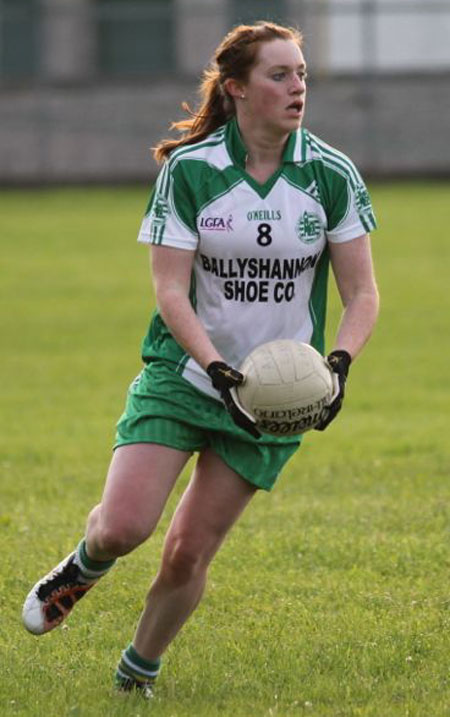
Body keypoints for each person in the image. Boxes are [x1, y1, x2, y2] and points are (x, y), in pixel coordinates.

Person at [22, 21, 379, 698]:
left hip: (274, 397)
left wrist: (337, 364)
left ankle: (137, 673)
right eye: (280, 75)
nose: (297, 86)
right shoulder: (192, 170)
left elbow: (362, 290)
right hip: (185, 374)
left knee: (189, 551)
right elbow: (166, 287)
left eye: (301, 73)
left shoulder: (331, 174)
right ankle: (82, 566)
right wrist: (217, 366)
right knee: (125, 524)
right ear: (239, 89)